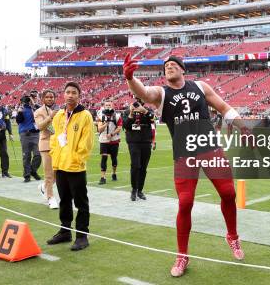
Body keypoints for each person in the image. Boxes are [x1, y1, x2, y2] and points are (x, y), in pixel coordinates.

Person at [123, 54, 246, 277]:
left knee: (228, 193)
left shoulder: (200, 86)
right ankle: (182, 255)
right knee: (185, 202)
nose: (168, 68)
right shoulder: (162, 93)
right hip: (184, 153)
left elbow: (223, 107)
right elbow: (144, 93)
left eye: (173, 65)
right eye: (165, 67)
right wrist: (131, 78)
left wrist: (242, 127)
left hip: (209, 147)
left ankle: (233, 236)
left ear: (182, 69)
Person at [46, 82, 94, 251]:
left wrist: (77, 159)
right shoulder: (59, 115)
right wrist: (55, 156)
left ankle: (82, 236)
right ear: (63, 95)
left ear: (79, 95)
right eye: (68, 92)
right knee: (64, 200)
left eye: (74, 92)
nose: (70, 95)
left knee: (81, 202)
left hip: (75, 167)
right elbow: (54, 137)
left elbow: (87, 141)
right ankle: (65, 231)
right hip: (60, 165)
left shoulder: (85, 115)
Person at [122, 97, 155, 201]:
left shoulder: (148, 111)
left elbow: (153, 119)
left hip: (146, 141)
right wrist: (131, 114)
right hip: (133, 142)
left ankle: (140, 190)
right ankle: (134, 189)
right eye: (137, 101)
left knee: (143, 168)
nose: (138, 103)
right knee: (135, 166)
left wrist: (144, 111)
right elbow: (126, 126)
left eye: (140, 101)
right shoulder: (127, 111)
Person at [34, 89, 60, 209]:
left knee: (57, 174)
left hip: (58, 144)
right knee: (49, 173)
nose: (50, 99)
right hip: (46, 144)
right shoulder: (39, 111)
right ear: (43, 99)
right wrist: (50, 116)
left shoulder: (59, 110)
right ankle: (50, 197)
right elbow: (40, 126)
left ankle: (44, 187)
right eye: (47, 97)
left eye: (52, 97)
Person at [96, 99, 122, 184]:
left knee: (114, 158)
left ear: (112, 105)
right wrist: (106, 123)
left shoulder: (117, 116)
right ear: (104, 106)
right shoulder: (100, 115)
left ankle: (114, 173)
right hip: (103, 140)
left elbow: (119, 128)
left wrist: (111, 134)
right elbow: (99, 129)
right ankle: (102, 177)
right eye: (106, 105)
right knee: (104, 158)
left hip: (114, 140)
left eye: (109, 105)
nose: (108, 106)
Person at [16, 95, 41, 182]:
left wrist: (34, 104)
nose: (27, 102)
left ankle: (32, 171)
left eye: (28, 100)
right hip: (25, 134)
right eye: (25, 101)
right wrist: (19, 112)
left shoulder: (36, 108)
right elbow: (19, 121)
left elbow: (43, 110)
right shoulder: (21, 109)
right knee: (26, 156)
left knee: (38, 154)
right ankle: (27, 175)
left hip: (36, 133)